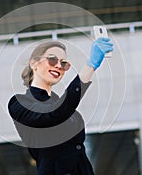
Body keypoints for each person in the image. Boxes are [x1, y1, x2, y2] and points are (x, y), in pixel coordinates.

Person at [8, 37, 113, 175]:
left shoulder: (67, 107)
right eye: (52, 59)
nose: (58, 66)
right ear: (34, 63)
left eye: (63, 63)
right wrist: (90, 66)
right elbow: (53, 115)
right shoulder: (20, 103)